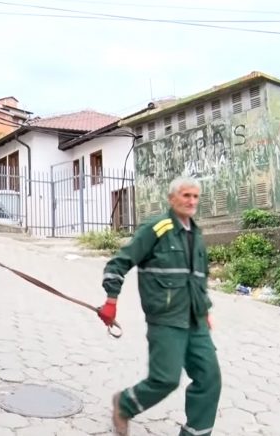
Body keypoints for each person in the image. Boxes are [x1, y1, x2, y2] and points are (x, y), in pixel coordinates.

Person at [97, 176, 221, 436]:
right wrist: (111, 301)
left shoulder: (196, 234)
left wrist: (206, 311)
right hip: (166, 319)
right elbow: (119, 263)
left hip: (196, 320)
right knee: (165, 379)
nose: (192, 201)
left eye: (195, 196)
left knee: (209, 378)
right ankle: (125, 404)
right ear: (171, 199)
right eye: (186, 195)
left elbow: (199, 278)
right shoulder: (156, 229)